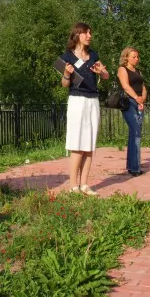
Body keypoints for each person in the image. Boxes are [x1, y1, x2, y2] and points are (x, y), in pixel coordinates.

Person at [60, 22, 109, 195]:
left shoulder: (93, 55)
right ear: (77, 35)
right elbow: (65, 83)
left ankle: (85, 184)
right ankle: (73, 185)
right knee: (77, 143)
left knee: (89, 144)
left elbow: (106, 74)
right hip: (77, 100)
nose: (89, 36)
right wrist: (67, 73)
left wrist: (102, 72)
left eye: (90, 33)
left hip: (93, 100)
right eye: (86, 33)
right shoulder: (66, 57)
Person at [117, 47, 147, 177]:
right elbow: (125, 86)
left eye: (137, 57)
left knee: (134, 134)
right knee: (136, 132)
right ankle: (135, 168)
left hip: (139, 103)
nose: (136, 59)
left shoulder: (139, 71)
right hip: (129, 102)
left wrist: (142, 100)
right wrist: (136, 98)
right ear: (126, 57)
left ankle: (131, 165)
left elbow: (144, 88)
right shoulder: (122, 69)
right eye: (134, 56)